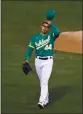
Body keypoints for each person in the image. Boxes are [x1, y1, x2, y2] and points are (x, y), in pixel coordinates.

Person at [24, 20, 60, 109]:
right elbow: (30, 49)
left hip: (48, 62)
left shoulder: (51, 36)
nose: (45, 28)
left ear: (48, 28)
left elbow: (57, 32)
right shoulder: (35, 37)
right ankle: (46, 99)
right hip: (38, 61)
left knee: (44, 81)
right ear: (41, 26)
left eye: (47, 27)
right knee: (42, 82)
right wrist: (27, 60)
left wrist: (51, 24)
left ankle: (41, 102)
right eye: (44, 26)